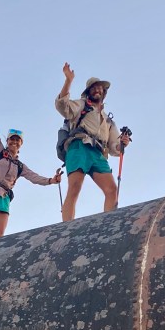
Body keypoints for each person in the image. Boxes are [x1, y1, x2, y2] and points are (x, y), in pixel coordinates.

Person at [0, 87, 62, 247]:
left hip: (3, 196)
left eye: (17, 140)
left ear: (21, 143)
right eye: (12, 139)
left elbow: (34, 177)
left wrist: (51, 180)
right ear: (7, 141)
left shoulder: (20, 166)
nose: (14, 142)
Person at [56, 63, 131, 221]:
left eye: (100, 88)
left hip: (98, 153)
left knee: (112, 190)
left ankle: (108, 223)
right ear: (88, 92)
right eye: (93, 88)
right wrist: (68, 81)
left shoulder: (108, 120)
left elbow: (114, 147)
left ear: (104, 92)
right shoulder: (82, 104)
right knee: (74, 187)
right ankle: (67, 226)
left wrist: (122, 143)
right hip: (79, 146)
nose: (97, 90)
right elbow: (63, 106)